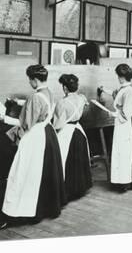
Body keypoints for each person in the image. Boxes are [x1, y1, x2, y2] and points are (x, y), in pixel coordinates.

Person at [0, 65, 67, 231]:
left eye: (30, 79)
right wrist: (20, 102)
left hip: (35, 136)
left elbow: (25, 123)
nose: (29, 82)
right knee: (36, 175)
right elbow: (40, 106)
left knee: (21, 174)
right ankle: (39, 209)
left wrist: (4, 118)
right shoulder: (48, 92)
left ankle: (16, 213)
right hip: (47, 133)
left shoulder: (35, 97)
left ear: (34, 79)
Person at [98, 64, 132, 192]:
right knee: (120, 151)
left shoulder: (128, 91)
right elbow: (115, 94)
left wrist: (113, 114)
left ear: (122, 77)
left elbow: (128, 113)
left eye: (118, 76)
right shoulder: (123, 89)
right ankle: (120, 181)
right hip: (119, 125)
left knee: (124, 153)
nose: (117, 78)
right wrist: (103, 90)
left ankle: (125, 182)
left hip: (124, 125)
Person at [53, 74, 93, 202]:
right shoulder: (82, 98)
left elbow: (59, 124)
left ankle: (68, 191)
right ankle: (81, 188)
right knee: (79, 161)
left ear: (65, 87)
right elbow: (84, 104)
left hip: (67, 133)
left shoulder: (62, 102)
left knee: (64, 160)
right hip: (79, 131)